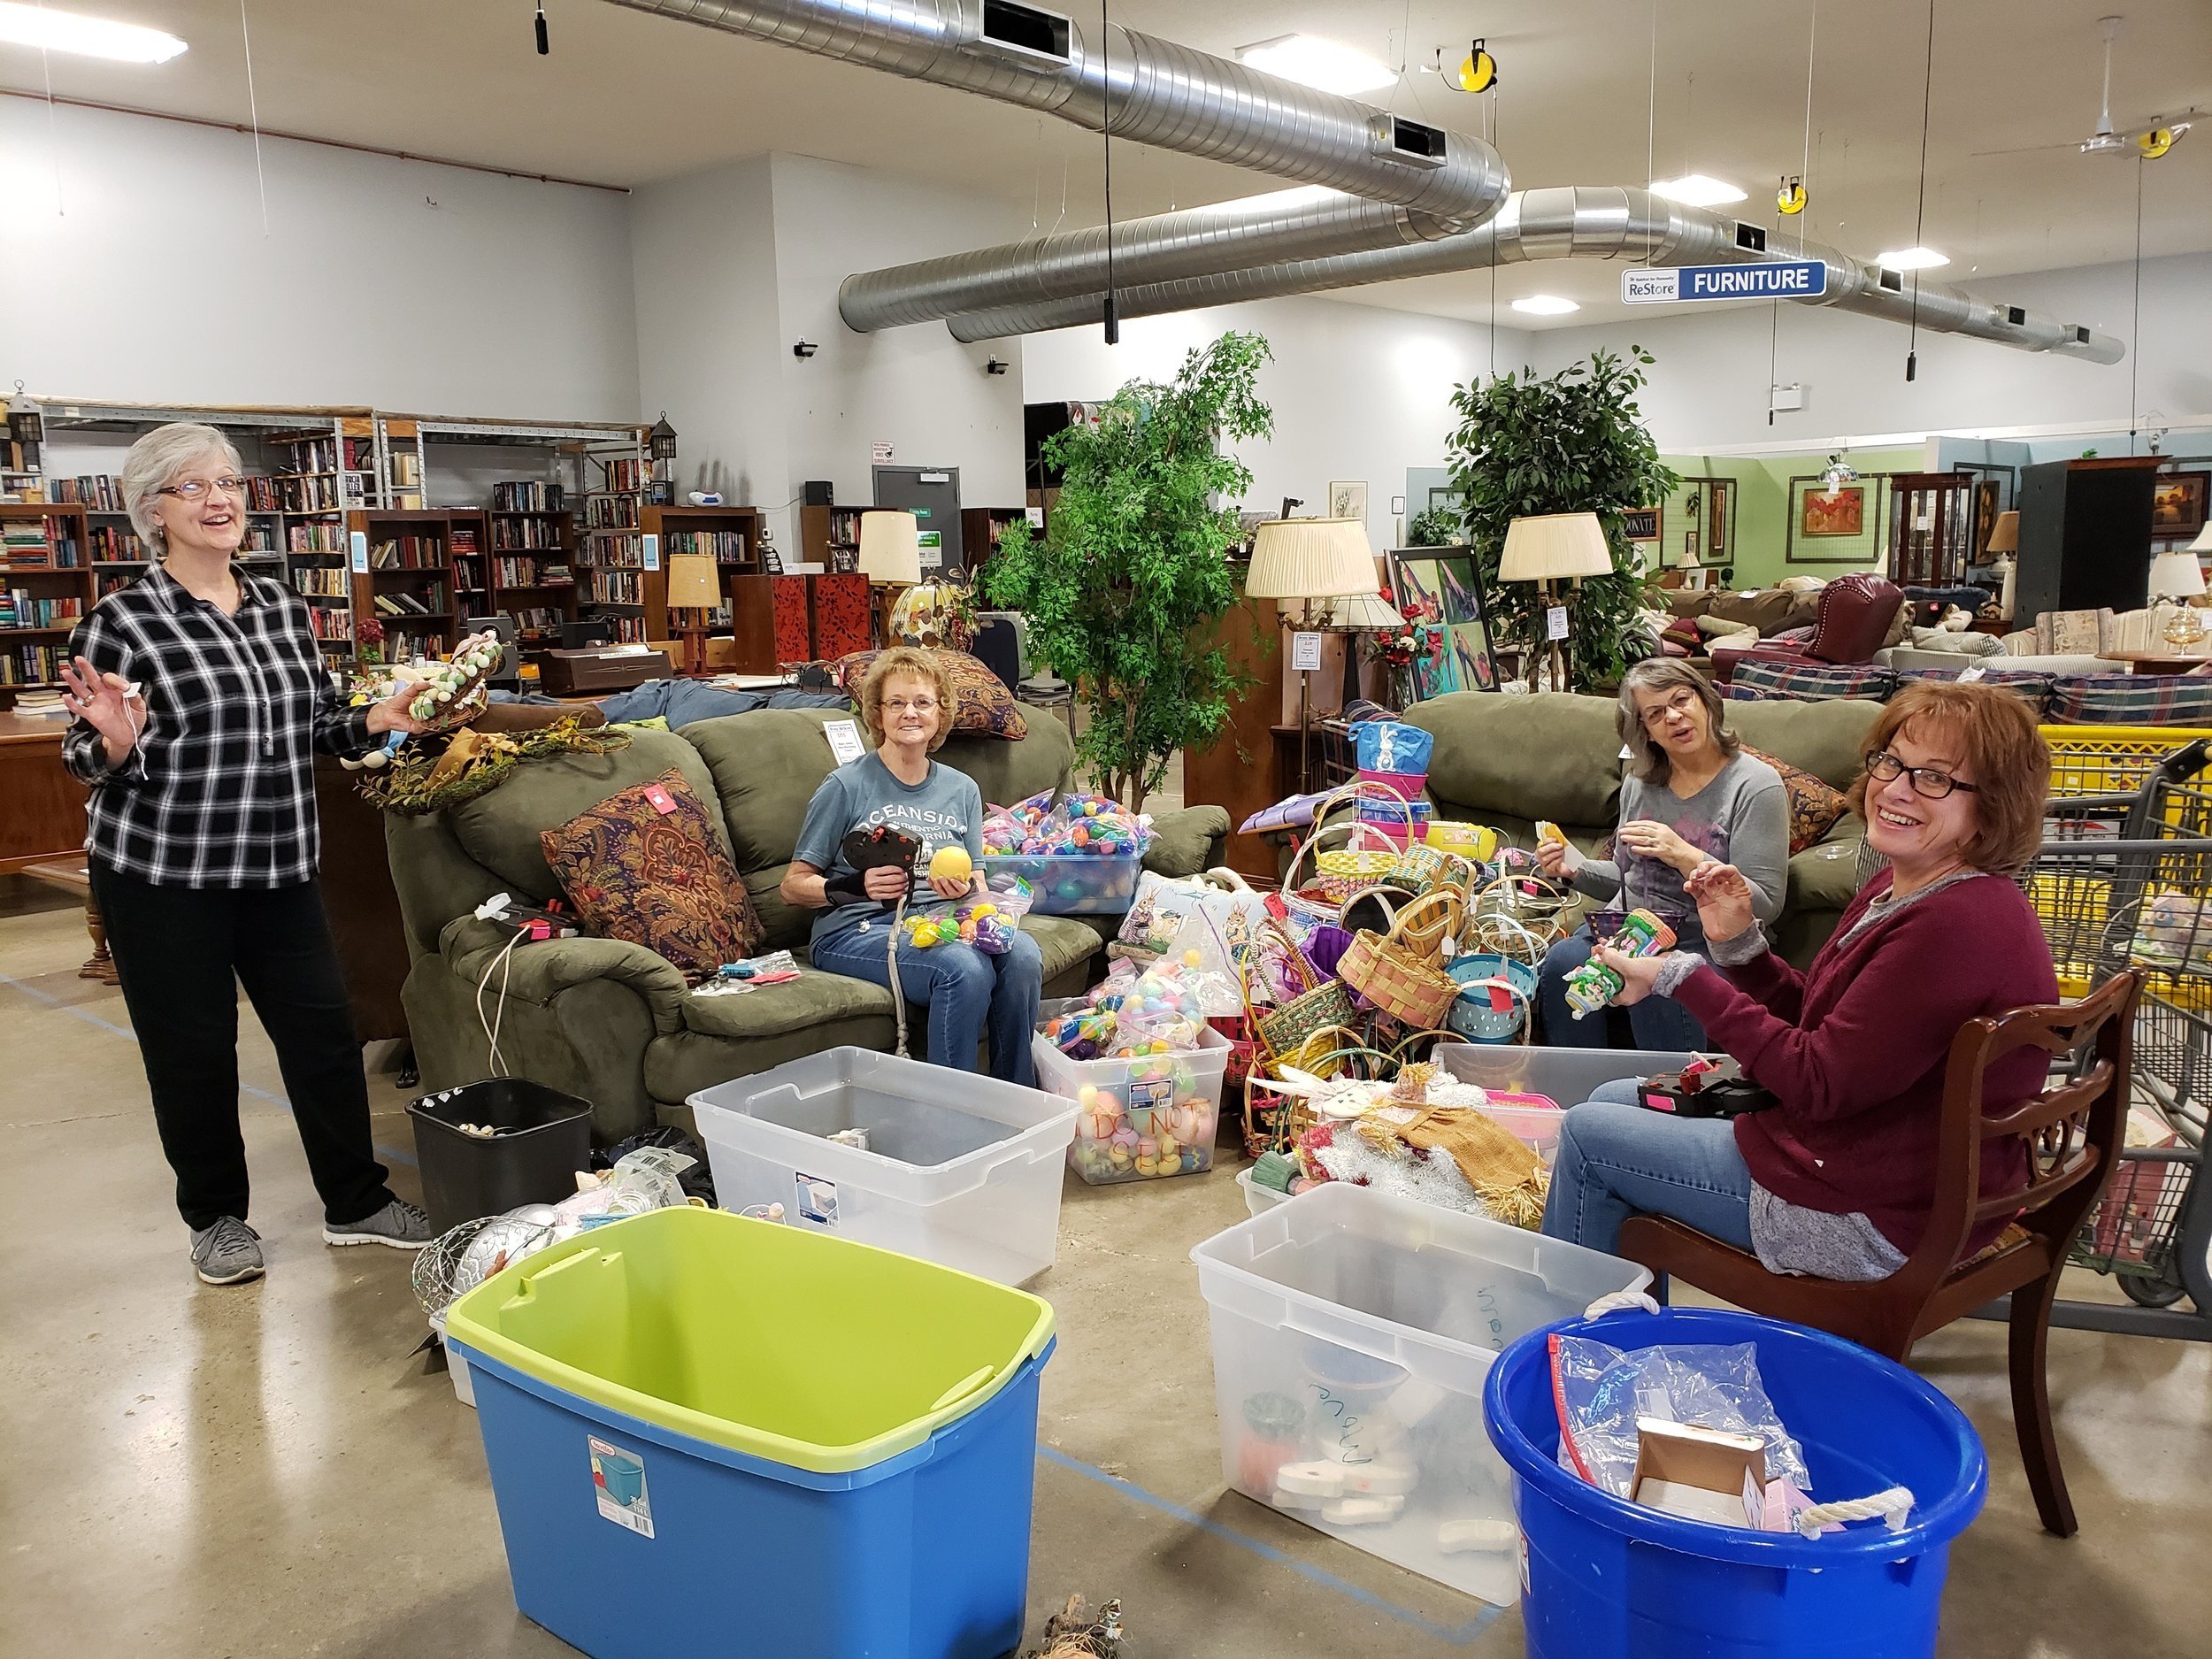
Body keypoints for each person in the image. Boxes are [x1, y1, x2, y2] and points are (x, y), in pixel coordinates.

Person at [58, 423, 436, 1286]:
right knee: (193, 1052)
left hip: (277, 867)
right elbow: (82, 759)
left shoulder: (281, 610)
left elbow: (316, 725)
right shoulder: (119, 623)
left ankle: (356, 1202)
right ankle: (218, 1218)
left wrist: (377, 722)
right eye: (193, 487)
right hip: (164, 878)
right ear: (153, 511)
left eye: (228, 482)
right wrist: (115, 741)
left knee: (324, 1037)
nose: (220, 499)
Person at [1540, 680, 2059, 1280]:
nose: (1896, 788)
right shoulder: (1909, 885)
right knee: (1606, 1101)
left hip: (1864, 1212)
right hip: (1869, 1159)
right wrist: (1741, 947)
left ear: (1994, 803)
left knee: (1585, 1134)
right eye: (1893, 761)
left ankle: (1569, 1342)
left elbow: (1815, 1080)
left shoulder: (1951, 924)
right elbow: (1825, 1022)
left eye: (1934, 777)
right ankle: (1623, 1325)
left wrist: (1682, 975)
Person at [785, 647, 1044, 1084]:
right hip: (856, 931)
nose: (910, 713)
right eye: (897, 703)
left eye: (922, 702)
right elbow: (792, 887)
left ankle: (1017, 1099)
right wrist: (854, 886)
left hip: (939, 923)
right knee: (964, 967)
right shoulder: (845, 786)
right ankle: (947, 1113)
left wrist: (968, 896)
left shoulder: (962, 789)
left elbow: (977, 882)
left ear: (940, 714)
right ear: (877, 713)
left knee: (1022, 955)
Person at [1534, 658, 1789, 1050]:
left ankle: (1669, 1103)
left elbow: (1766, 905)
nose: (1673, 717)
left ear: (1705, 701)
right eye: (1655, 713)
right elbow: (1625, 875)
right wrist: (1574, 869)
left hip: (1707, 940)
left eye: (1681, 700)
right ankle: (1575, 1094)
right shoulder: (1640, 782)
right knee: (1563, 960)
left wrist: (1684, 854)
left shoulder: (1756, 785)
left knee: (1662, 983)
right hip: (1632, 930)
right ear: (1646, 732)